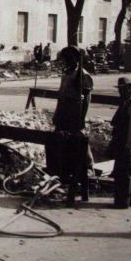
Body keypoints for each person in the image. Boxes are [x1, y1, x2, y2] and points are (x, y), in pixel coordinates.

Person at [48, 45, 94, 181]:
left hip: (74, 115)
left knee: (79, 141)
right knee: (61, 141)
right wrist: (57, 114)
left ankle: (89, 168)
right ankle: (64, 170)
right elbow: (61, 97)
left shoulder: (83, 76)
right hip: (63, 114)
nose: (66, 61)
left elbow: (86, 100)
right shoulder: (66, 74)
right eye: (65, 59)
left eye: (68, 58)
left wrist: (81, 118)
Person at [109, 77, 131, 208]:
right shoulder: (125, 104)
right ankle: (129, 200)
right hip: (120, 142)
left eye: (123, 89)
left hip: (126, 144)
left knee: (125, 174)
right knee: (125, 172)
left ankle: (123, 202)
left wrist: (130, 145)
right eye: (120, 89)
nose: (121, 92)